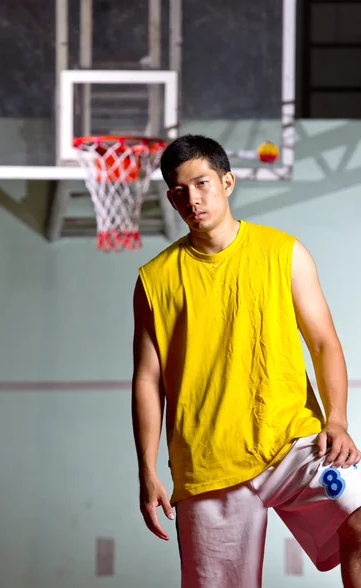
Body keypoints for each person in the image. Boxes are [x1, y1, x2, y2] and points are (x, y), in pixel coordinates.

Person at [131, 134, 361, 588]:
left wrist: (336, 419)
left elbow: (324, 343)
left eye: (202, 183)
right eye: (179, 191)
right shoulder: (154, 279)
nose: (192, 198)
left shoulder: (284, 253)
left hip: (293, 442)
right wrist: (147, 468)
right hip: (207, 463)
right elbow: (147, 378)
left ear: (228, 182)